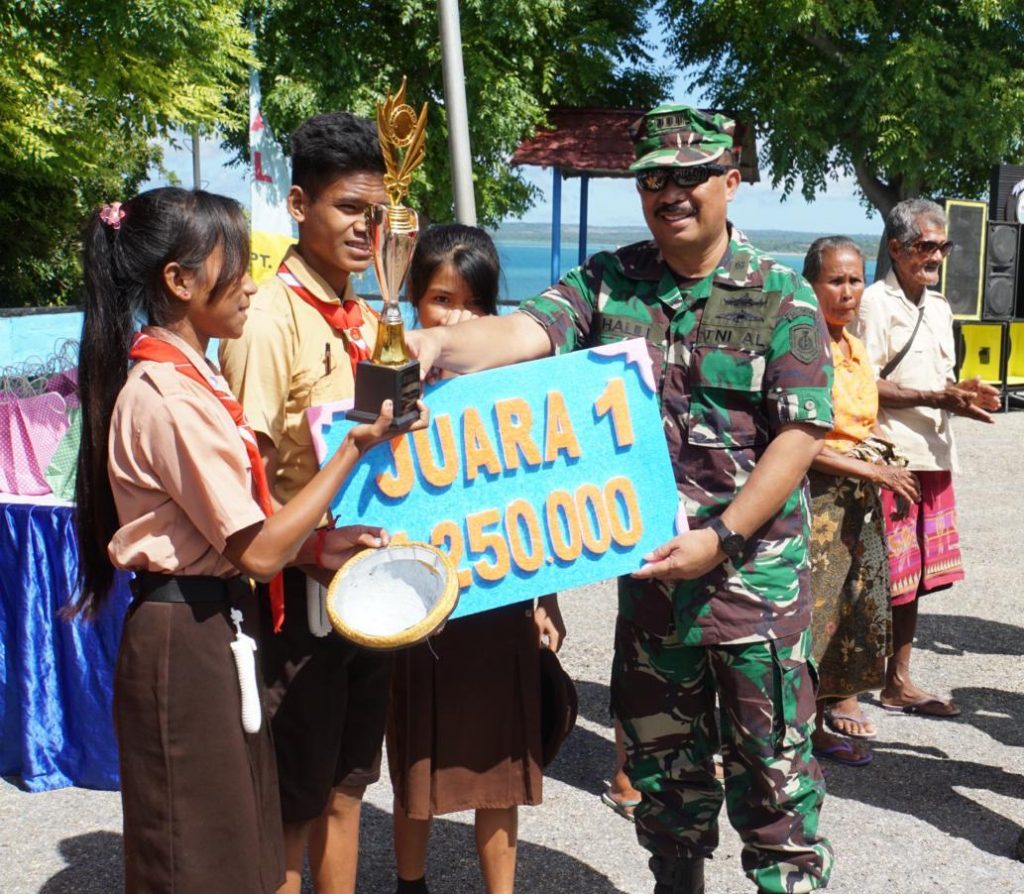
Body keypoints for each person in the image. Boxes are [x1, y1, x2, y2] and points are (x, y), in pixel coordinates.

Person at [407, 104, 835, 894]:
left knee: (775, 795)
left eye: (692, 176)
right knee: (667, 795)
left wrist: (725, 537)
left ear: (731, 183)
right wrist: (438, 343)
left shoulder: (784, 298)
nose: (671, 192)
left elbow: (799, 440)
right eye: (653, 180)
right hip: (652, 603)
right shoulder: (609, 282)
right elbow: (522, 336)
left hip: (753, 601)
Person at [72, 187, 424, 893]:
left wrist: (318, 548)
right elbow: (256, 550)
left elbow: (234, 531)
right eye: (233, 268)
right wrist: (351, 453)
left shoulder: (191, 379)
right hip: (186, 634)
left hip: (212, 622)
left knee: (236, 842)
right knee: (195, 852)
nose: (251, 285)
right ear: (179, 281)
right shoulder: (167, 395)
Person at [218, 112, 395, 894]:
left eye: (377, 212)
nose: (368, 227)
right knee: (294, 804)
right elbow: (241, 482)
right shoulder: (266, 319)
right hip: (297, 603)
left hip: (372, 592)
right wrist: (313, 549)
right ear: (298, 205)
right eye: (349, 209)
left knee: (348, 788)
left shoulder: (364, 315)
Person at [388, 224, 566, 894]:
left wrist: (546, 598)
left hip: (501, 596)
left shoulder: (522, 380)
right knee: (417, 759)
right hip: (414, 596)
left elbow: (544, 499)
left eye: (472, 303)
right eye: (439, 300)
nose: (456, 317)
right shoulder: (393, 378)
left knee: (502, 766)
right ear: (411, 300)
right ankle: (412, 884)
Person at [851, 198, 1001, 719]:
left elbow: (938, 381)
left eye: (942, 246)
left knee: (909, 578)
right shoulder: (873, 303)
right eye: (924, 246)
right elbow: (863, 384)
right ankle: (841, 689)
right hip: (888, 456)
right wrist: (937, 397)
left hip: (931, 455)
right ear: (896, 249)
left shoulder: (938, 308)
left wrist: (964, 393)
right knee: (873, 573)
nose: (935, 255)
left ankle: (898, 681)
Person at [801, 237, 921, 766]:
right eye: (836, 280)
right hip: (818, 499)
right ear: (811, 285)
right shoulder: (804, 346)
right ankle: (798, 732)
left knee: (848, 614)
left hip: (858, 497)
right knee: (811, 614)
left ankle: (822, 720)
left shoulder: (850, 343)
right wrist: (872, 468)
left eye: (854, 281)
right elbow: (799, 438)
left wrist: (942, 396)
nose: (848, 292)